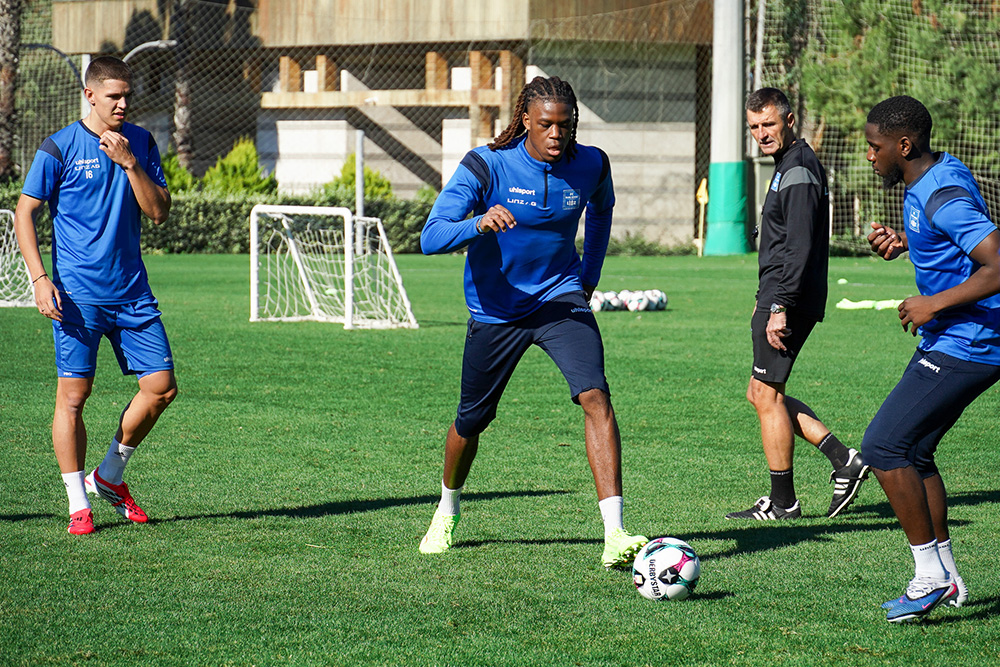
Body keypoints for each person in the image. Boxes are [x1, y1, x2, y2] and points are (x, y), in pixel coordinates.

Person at [417, 76, 647, 568]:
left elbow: (602, 212)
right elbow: (431, 237)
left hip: (559, 299)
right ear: (524, 119)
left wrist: (589, 276)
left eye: (565, 125)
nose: (556, 135)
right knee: (471, 420)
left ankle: (615, 533)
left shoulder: (591, 164)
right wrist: (477, 223)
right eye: (546, 124)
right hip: (495, 311)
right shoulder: (487, 165)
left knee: (595, 395)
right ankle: (447, 509)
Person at [14, 56, 177, 535]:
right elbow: (25, 213)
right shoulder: (58, 146)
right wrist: (40, 279)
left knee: (161, 388)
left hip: (133, 294)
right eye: (114, 96)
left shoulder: (142, 143)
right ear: (90, 95)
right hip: (77, 296)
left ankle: (109, 475)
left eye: (127, 95)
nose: (123, 103)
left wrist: (129, 164)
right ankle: (76, 504)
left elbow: (159, 212)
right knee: (73, 397)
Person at [863, 95, 1000, 623]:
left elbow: (996, 263)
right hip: (956, 338)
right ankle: (949, 577)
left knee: (883, 445)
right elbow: (952, 243)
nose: (870, 157)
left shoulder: (940, 193)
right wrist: (909, 243)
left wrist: (932, 303)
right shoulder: (929, 178)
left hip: (971, 342)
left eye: (875, 148)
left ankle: (930, 577)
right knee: (915, 452)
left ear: (904, 144)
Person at [727, 88, 869, 521]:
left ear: (790, 120)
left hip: (789, 297)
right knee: (760, 392)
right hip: (777, 294)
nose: (761, 134)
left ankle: (785, 501)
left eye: (768, 124)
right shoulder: (787, 166)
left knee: (767, 394)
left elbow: (802, 246)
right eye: (754, 127)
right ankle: (843, 459)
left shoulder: (800, 169)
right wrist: (764, 299)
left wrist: (779, 305)